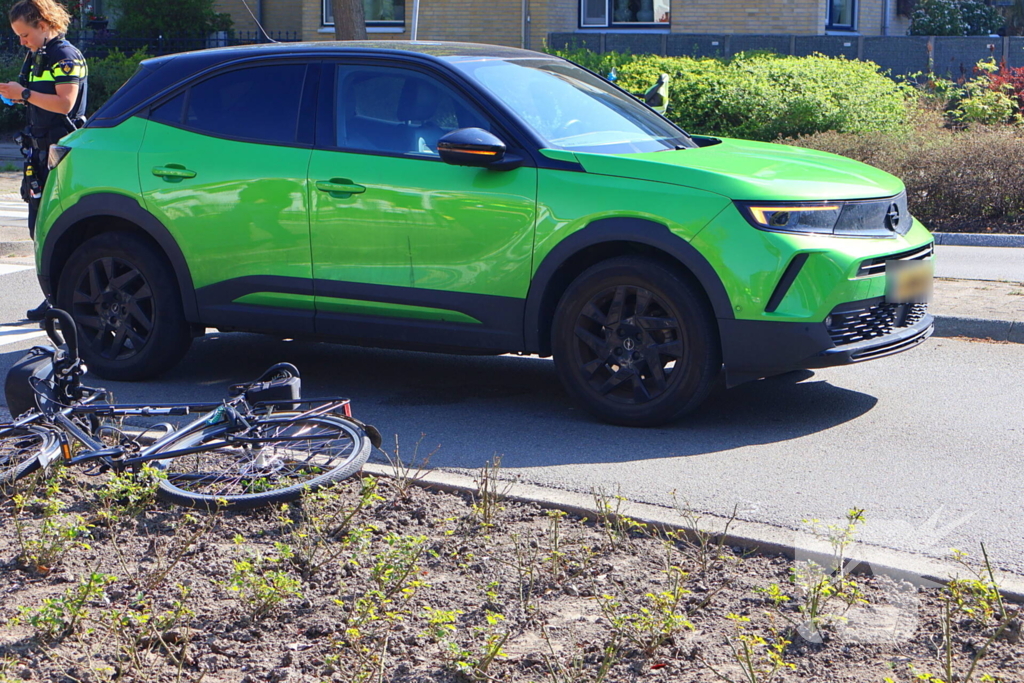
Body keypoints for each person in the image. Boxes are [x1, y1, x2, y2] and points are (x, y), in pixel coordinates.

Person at [0, 0, 87, 321]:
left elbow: (65, 104)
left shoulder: (64, 56)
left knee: (54, 227)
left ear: (42, 23)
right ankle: (54, 297)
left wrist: (22, 94)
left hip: (58, 151)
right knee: (38, 226)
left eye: (24, 34)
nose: (22, 41)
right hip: (37, 151)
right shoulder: (38, 56)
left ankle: (62, 299)